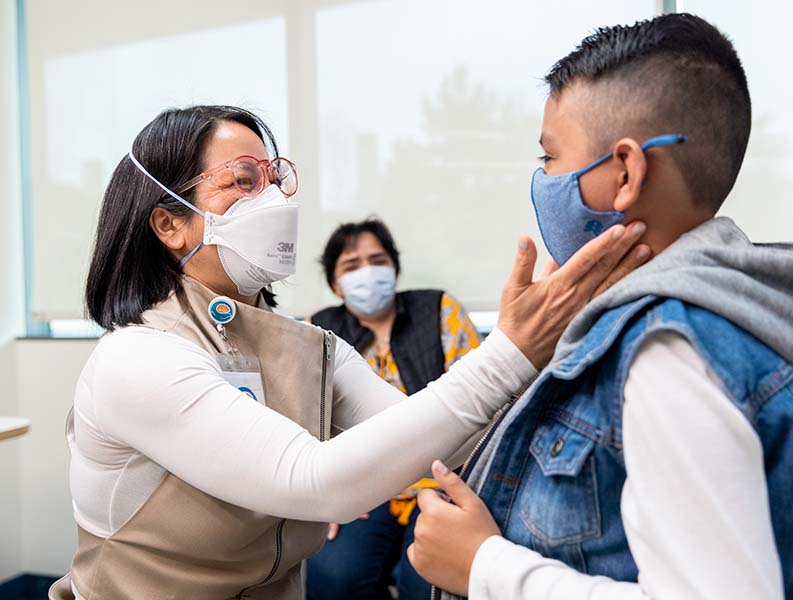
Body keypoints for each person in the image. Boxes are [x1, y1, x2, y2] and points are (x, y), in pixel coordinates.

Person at [49, 105, 651, 600]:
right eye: (245, 181)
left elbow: (446, 446)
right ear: (169, 224)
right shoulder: (137, 359)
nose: (277, 199)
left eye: (278, 176)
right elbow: (319, 482)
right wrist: (511, 351)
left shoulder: (312, 351)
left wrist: (556, 345)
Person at [407, 13, 793, 600]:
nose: (541, 178)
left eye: (550, 158)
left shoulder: (667, 349)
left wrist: (484, 566)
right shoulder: (743, 300)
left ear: (624, 172)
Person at [306, 218, 481, 600]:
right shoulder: (317, 332)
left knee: (430, 581)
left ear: (394, 267)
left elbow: (479, 400)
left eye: (377, 260)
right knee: (334, 576)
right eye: (352, 266)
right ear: (336, 284)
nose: (367, 272)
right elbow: (306, 421)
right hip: (365, 488)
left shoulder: (440, 310)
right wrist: (328, 495)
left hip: (442, 481)